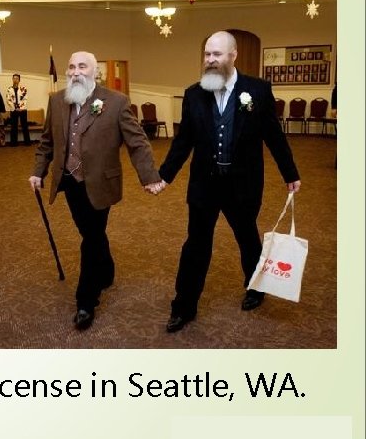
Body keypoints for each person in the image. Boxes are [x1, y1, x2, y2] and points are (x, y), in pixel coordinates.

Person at [154, 31, 300, 333]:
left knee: (247, 239)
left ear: (233, 55)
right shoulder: (194, 93)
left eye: (217, 54)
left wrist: (290, 174)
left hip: (243, 185)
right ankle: (184, 305)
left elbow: (273, 135)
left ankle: (255, 286)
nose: (210, 60)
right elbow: (184, 141)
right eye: (207, 54)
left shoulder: (257, 91)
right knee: (196, 244)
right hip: (204, 186)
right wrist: (164, 176)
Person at [29, 51, 161, 330]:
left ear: (95, 72)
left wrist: (149, 176)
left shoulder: (116, 101)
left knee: (90, 238)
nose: (76, 71)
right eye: (72, 66)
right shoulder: (57, 100)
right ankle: (107, 268)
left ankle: (86, 301)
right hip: (69, 181)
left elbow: (137, 142)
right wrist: (38, 171)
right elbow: (47, 142)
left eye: (82, 66)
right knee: (91, 232)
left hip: (101, 182)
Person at [6, 73, 31, 146]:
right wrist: (14, 108)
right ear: (12, 79)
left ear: (19, 80)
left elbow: (25, 99)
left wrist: (21, 108)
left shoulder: (23, 88)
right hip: (14, 110)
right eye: (14, 78)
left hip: (22, 110)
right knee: (14, 126)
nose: (15, 80)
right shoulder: (9, 89)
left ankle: (27, 142)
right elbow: (8, 100)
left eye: (17, 78)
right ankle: (13, 143)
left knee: (24, 126)